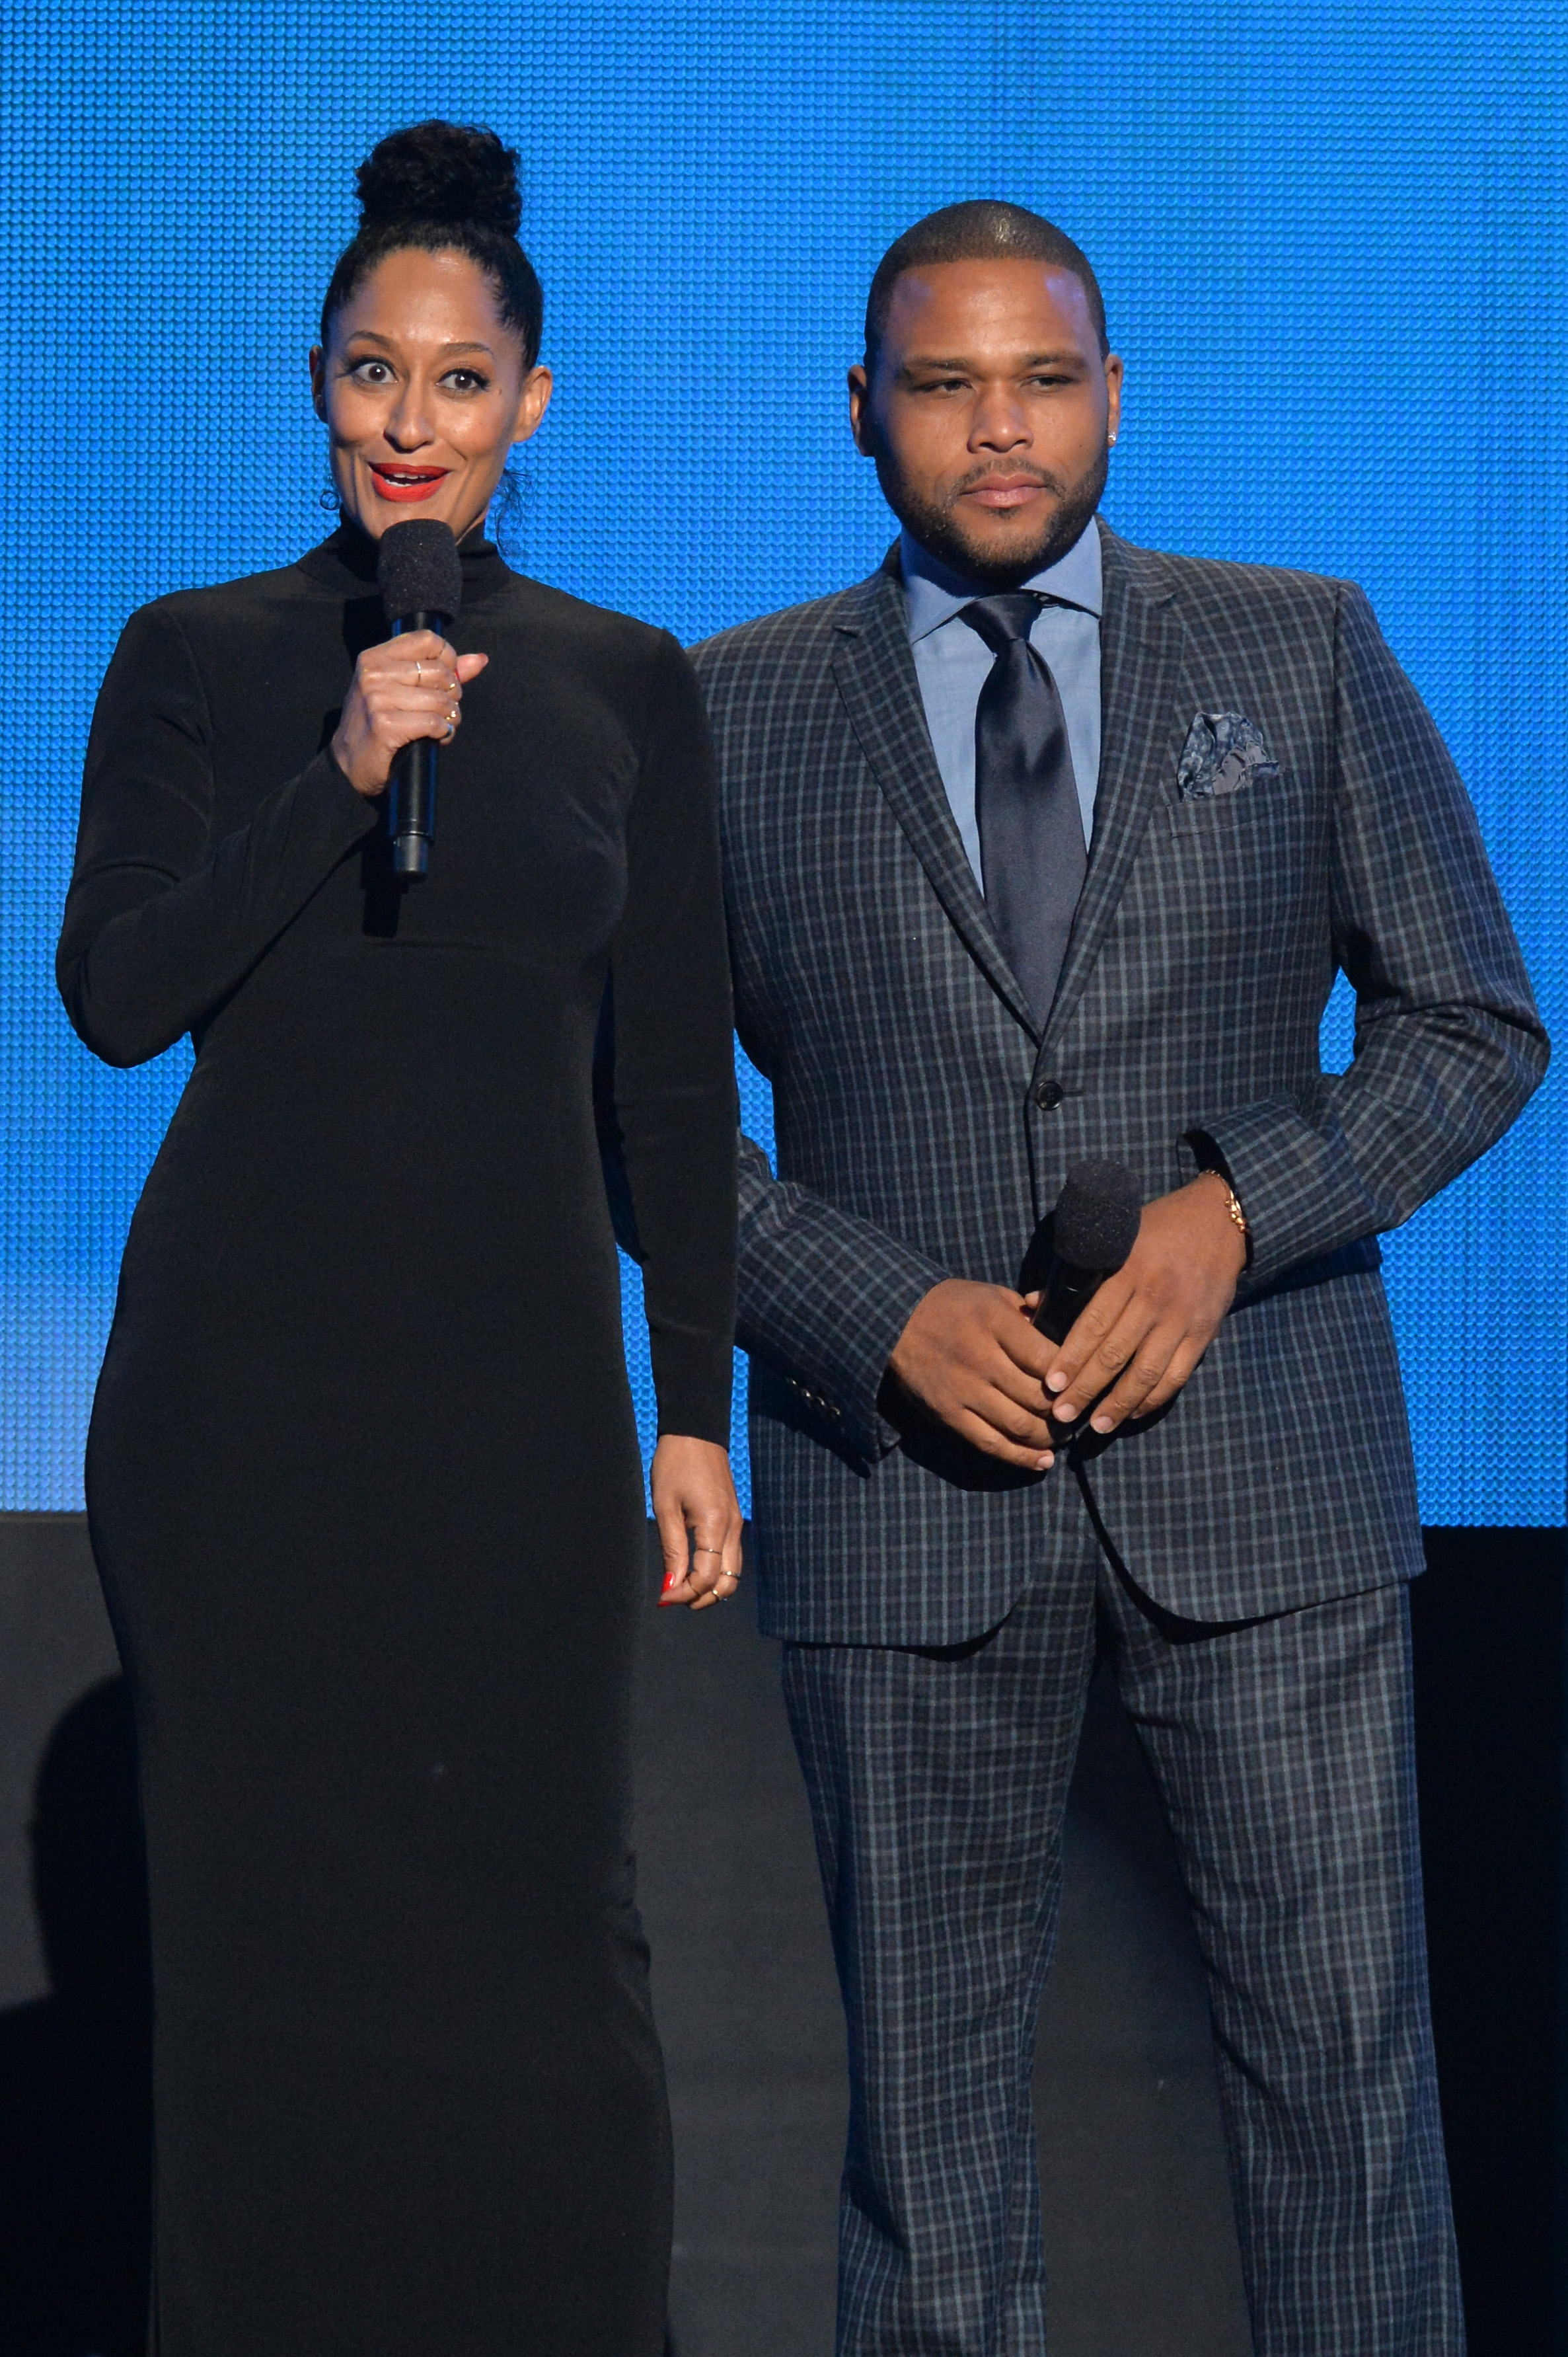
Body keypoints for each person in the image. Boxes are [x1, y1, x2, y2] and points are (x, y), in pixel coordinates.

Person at [690, 202, 1548, 2354]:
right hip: (898, 1497)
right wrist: (860, 1304)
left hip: (1264, 1480)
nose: (1003, 428)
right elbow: (628, 1117)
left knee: (1349, 2114)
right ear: (861, 411)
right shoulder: (727, 709)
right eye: (948, 381)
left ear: (1116, 395)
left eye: (1046, 378)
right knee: (929, 2148)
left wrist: (1235, 1208)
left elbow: (1476, 1026)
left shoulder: (1298, 648)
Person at [57, 122, 740, 2357]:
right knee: (259, 1984)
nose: (410, 426)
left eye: (458, 383)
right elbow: (117, 995)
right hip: (242, 1412)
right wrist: (339, 774)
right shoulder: (198, 655)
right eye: (371, 374)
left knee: (550, 1963)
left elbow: (666, 1087)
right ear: (316, 382)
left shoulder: (631, 685)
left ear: (530, 402)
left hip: (522, 1408)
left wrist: (697, 1404)